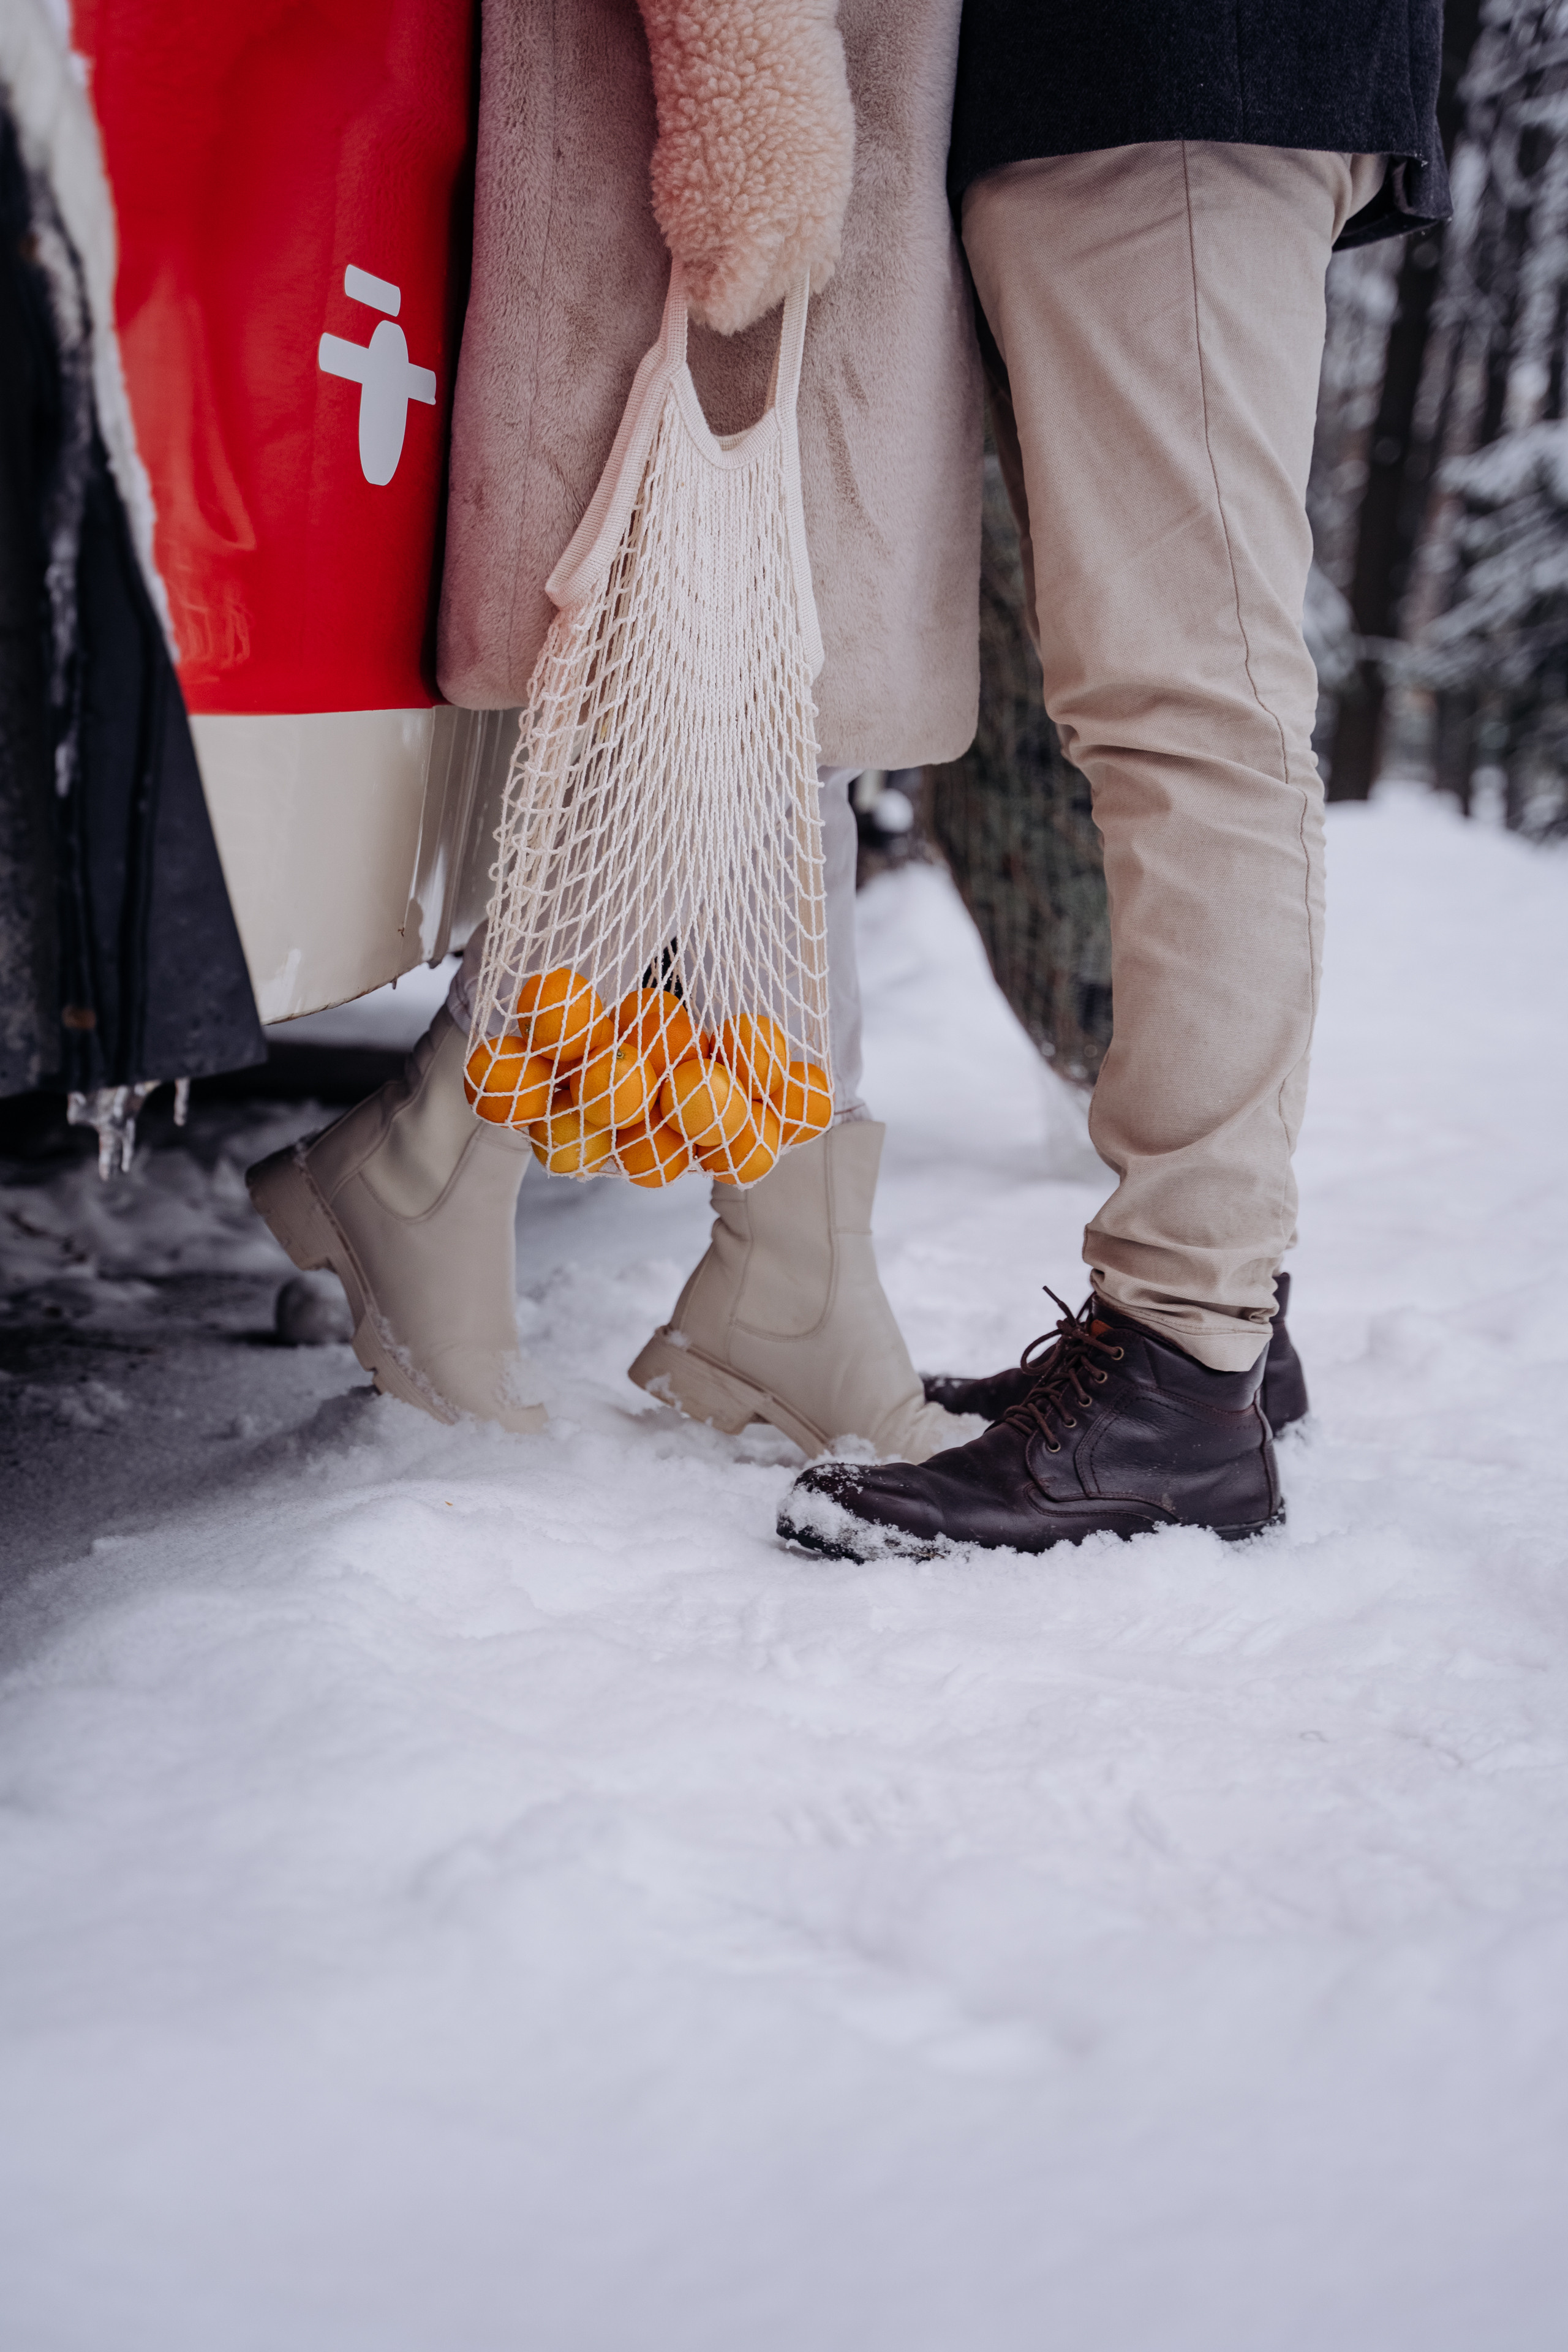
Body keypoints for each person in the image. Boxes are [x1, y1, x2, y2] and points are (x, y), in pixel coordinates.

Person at [247, 0, 986, 1464]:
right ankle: (520, 1190)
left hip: (808, 119)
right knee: (686, 651)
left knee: (763, 691)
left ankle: (733, 1249)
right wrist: (757, 120)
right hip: (735, 111)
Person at [777, 0, 1451, 1557]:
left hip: (1174, 70)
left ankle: (1182, 1366)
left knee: (1188, 707)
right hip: (1106, 82)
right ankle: (1219, 1328)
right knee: (1155, 703)